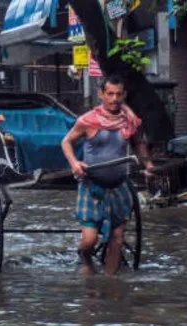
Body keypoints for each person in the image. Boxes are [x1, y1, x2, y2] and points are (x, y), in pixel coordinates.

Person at [61, 74, 154, 276]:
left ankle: (111, 284)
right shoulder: (88, 120)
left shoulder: (129, 121)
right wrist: (75, 163)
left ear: (124, 95)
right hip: (92, 186)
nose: (114, 99)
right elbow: (66, 142)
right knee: (89, 241)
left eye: (119, 94)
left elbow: (138, 143)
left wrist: (147, 164)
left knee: (118, 238)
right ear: (101, 94)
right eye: (110, 94)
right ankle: (86, 259)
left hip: (119, 186)